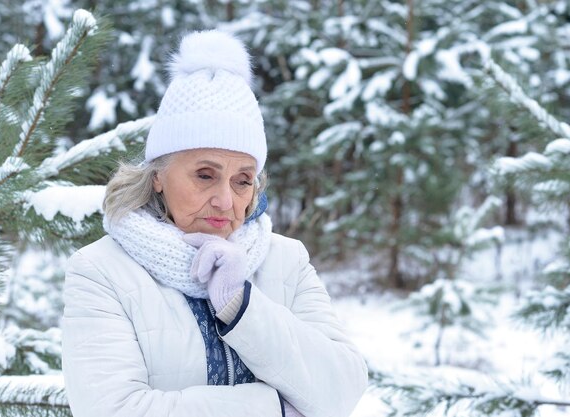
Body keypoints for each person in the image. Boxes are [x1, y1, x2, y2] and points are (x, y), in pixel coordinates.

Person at [61, 30, 368, 417]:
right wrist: (275, 408)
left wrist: (241, 306)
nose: (226, 201)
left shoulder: (285, 260)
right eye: (205, 175)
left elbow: (342, 390)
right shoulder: (101, 271)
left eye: (243, 181)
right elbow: (112, 410)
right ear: (158, 175)